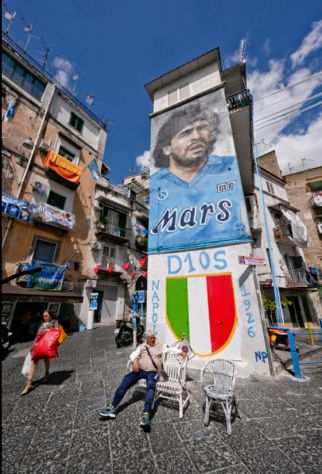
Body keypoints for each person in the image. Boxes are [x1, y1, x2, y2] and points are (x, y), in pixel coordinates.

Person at [148, 100, 250, 253]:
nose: (196, 136)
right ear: (166, 148)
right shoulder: (157, 183)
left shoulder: (229, 166)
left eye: (201, 128)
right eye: (186, 132)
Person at [99, 331, 163, 429]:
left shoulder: (160, 346)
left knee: (151, 386)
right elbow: (133, 354)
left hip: (152, 372)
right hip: (140, 370)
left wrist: (183, 351)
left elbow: (172, 350)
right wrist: (135, 361)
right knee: (126, 380)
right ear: (146, 339)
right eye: (150, 338)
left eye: (153, 337)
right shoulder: (142, 346)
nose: (153, 339)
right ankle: (112, 407)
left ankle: (146, 415)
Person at [20, 310, 60, 396]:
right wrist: (33, 346)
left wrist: (49, 330)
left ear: (50, 316)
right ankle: (29, 383)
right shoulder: (42, 324)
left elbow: (57, 333)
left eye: (46, 316)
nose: (44, 317)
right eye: (43, 316)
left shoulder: (54, 323)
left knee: (46, 360)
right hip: (38, 346)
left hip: (46, 346)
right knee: (34, 362)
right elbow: (37, 336)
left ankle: (46, 373)